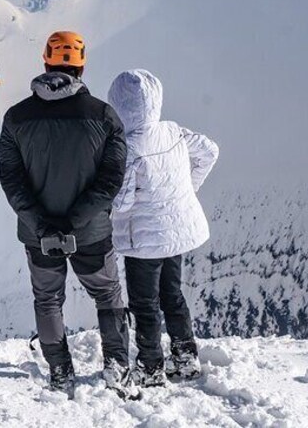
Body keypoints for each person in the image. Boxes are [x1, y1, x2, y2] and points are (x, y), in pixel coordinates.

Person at [0, 31, 136, 398]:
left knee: (47, 299)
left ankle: (60, 371)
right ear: (81, 66)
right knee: (107, 295)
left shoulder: (16, 118)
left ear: (45, 63)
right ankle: (117, 368)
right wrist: (75, 222)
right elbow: (111, 181)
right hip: (90, 233)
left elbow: (11, 181)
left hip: (37, 235)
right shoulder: (104, 116)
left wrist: (44, 225)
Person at [107, 69, 219, 387]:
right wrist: (185, 191)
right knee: (172, 294)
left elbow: (122, 203)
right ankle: (185, 357)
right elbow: (209, 151)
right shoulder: (172, 131)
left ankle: (150, 365)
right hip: (177, 232)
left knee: (145, 303)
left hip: (144, 241)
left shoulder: (128, 148)